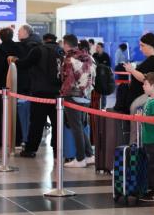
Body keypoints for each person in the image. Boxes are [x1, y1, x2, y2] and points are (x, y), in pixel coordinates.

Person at [11, 33, 64, 158]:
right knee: (57, 123)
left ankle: (31, 149)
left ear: (44, 40)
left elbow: (24, 64)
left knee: (37, 123)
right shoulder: (61, 51)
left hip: (40, 92)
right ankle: (58, 150)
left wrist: (14, 60)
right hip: (58, 93)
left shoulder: (38, 50)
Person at [61, 34, 96, 168]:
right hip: (86, 96)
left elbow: (68, 80)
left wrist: (63, 94)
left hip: (73, 96)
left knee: (76, 127)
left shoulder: (69, 58)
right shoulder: (89, 57)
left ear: (65, 44)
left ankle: (80, 158)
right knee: (80, 126)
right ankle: (88, 155)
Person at [16, 24, 42, 145]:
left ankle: (26, 139)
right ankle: (28, 139)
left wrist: (16, 61)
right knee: (33, 116)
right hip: (34, 85)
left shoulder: (26, 46)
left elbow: (24, 65)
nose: (18, 33)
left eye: (20, 32)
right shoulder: (37, 45)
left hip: (26, 86)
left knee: (25, 114)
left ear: (26, 33)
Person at [140, 72, 154, 202]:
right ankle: (152, 188)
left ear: (153, 86)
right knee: (151, 165)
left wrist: (143, 118)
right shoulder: (150, 100)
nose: (143, 86)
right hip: (148, 139)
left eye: (146, 84)